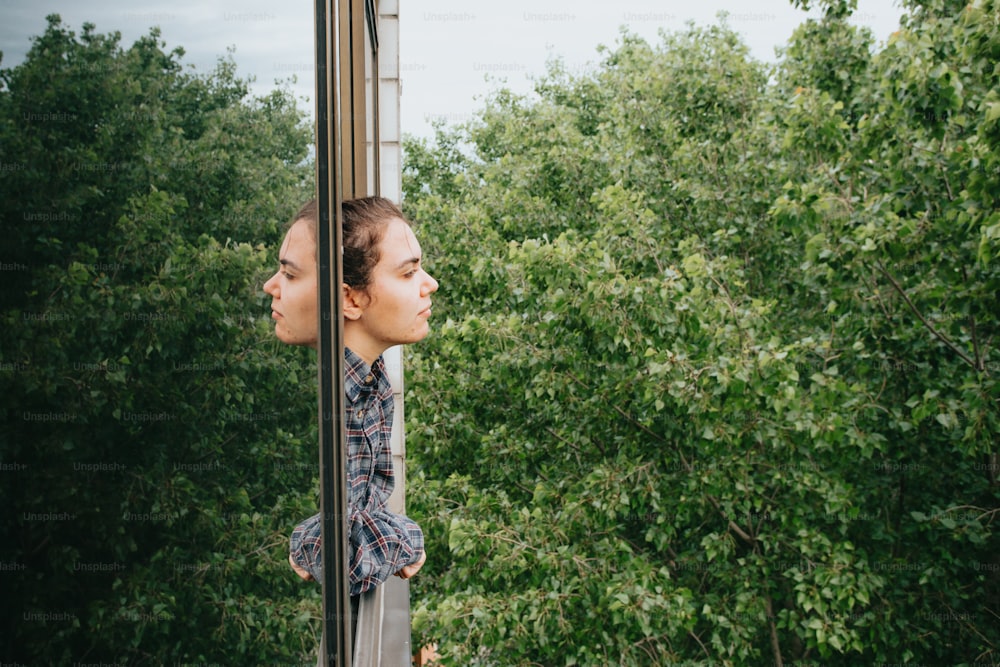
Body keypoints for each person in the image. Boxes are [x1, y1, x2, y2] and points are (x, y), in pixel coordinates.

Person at [262, 196, 437, 659]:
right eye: (408, 272)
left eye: (288, 274)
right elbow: (347, 550)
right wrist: (404, 540)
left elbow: (358, 514)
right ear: (350, 298)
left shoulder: (366, 382)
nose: (429, 284)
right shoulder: (329, 403)